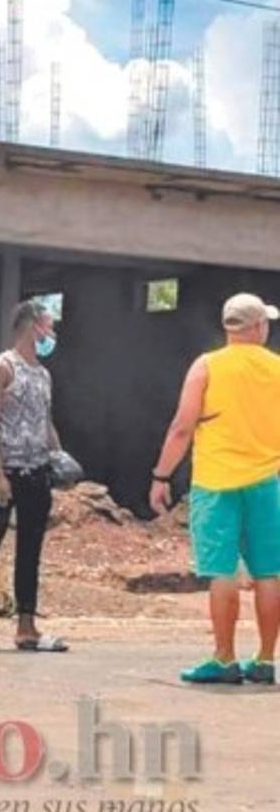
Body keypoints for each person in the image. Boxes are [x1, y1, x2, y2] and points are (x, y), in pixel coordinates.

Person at [150, 293, 280, 685]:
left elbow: (182, 428)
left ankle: (224, 660)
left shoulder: (206, 367)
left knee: (221, 572)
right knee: (269, 572)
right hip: (268, 482)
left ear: (229, 327)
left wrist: (161, 476)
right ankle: (265, 660)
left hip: (215, 483)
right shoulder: (277, 368)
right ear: (257, 327)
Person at [0, 300, 67, 654]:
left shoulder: (43, 373)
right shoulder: (0, 368)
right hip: (6, 470)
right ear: (32, 326)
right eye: (48, 326)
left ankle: (27, 626)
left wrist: (58, 455)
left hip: (37, 471)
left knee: (30, 549)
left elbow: (44, 419)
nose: (52, 333)